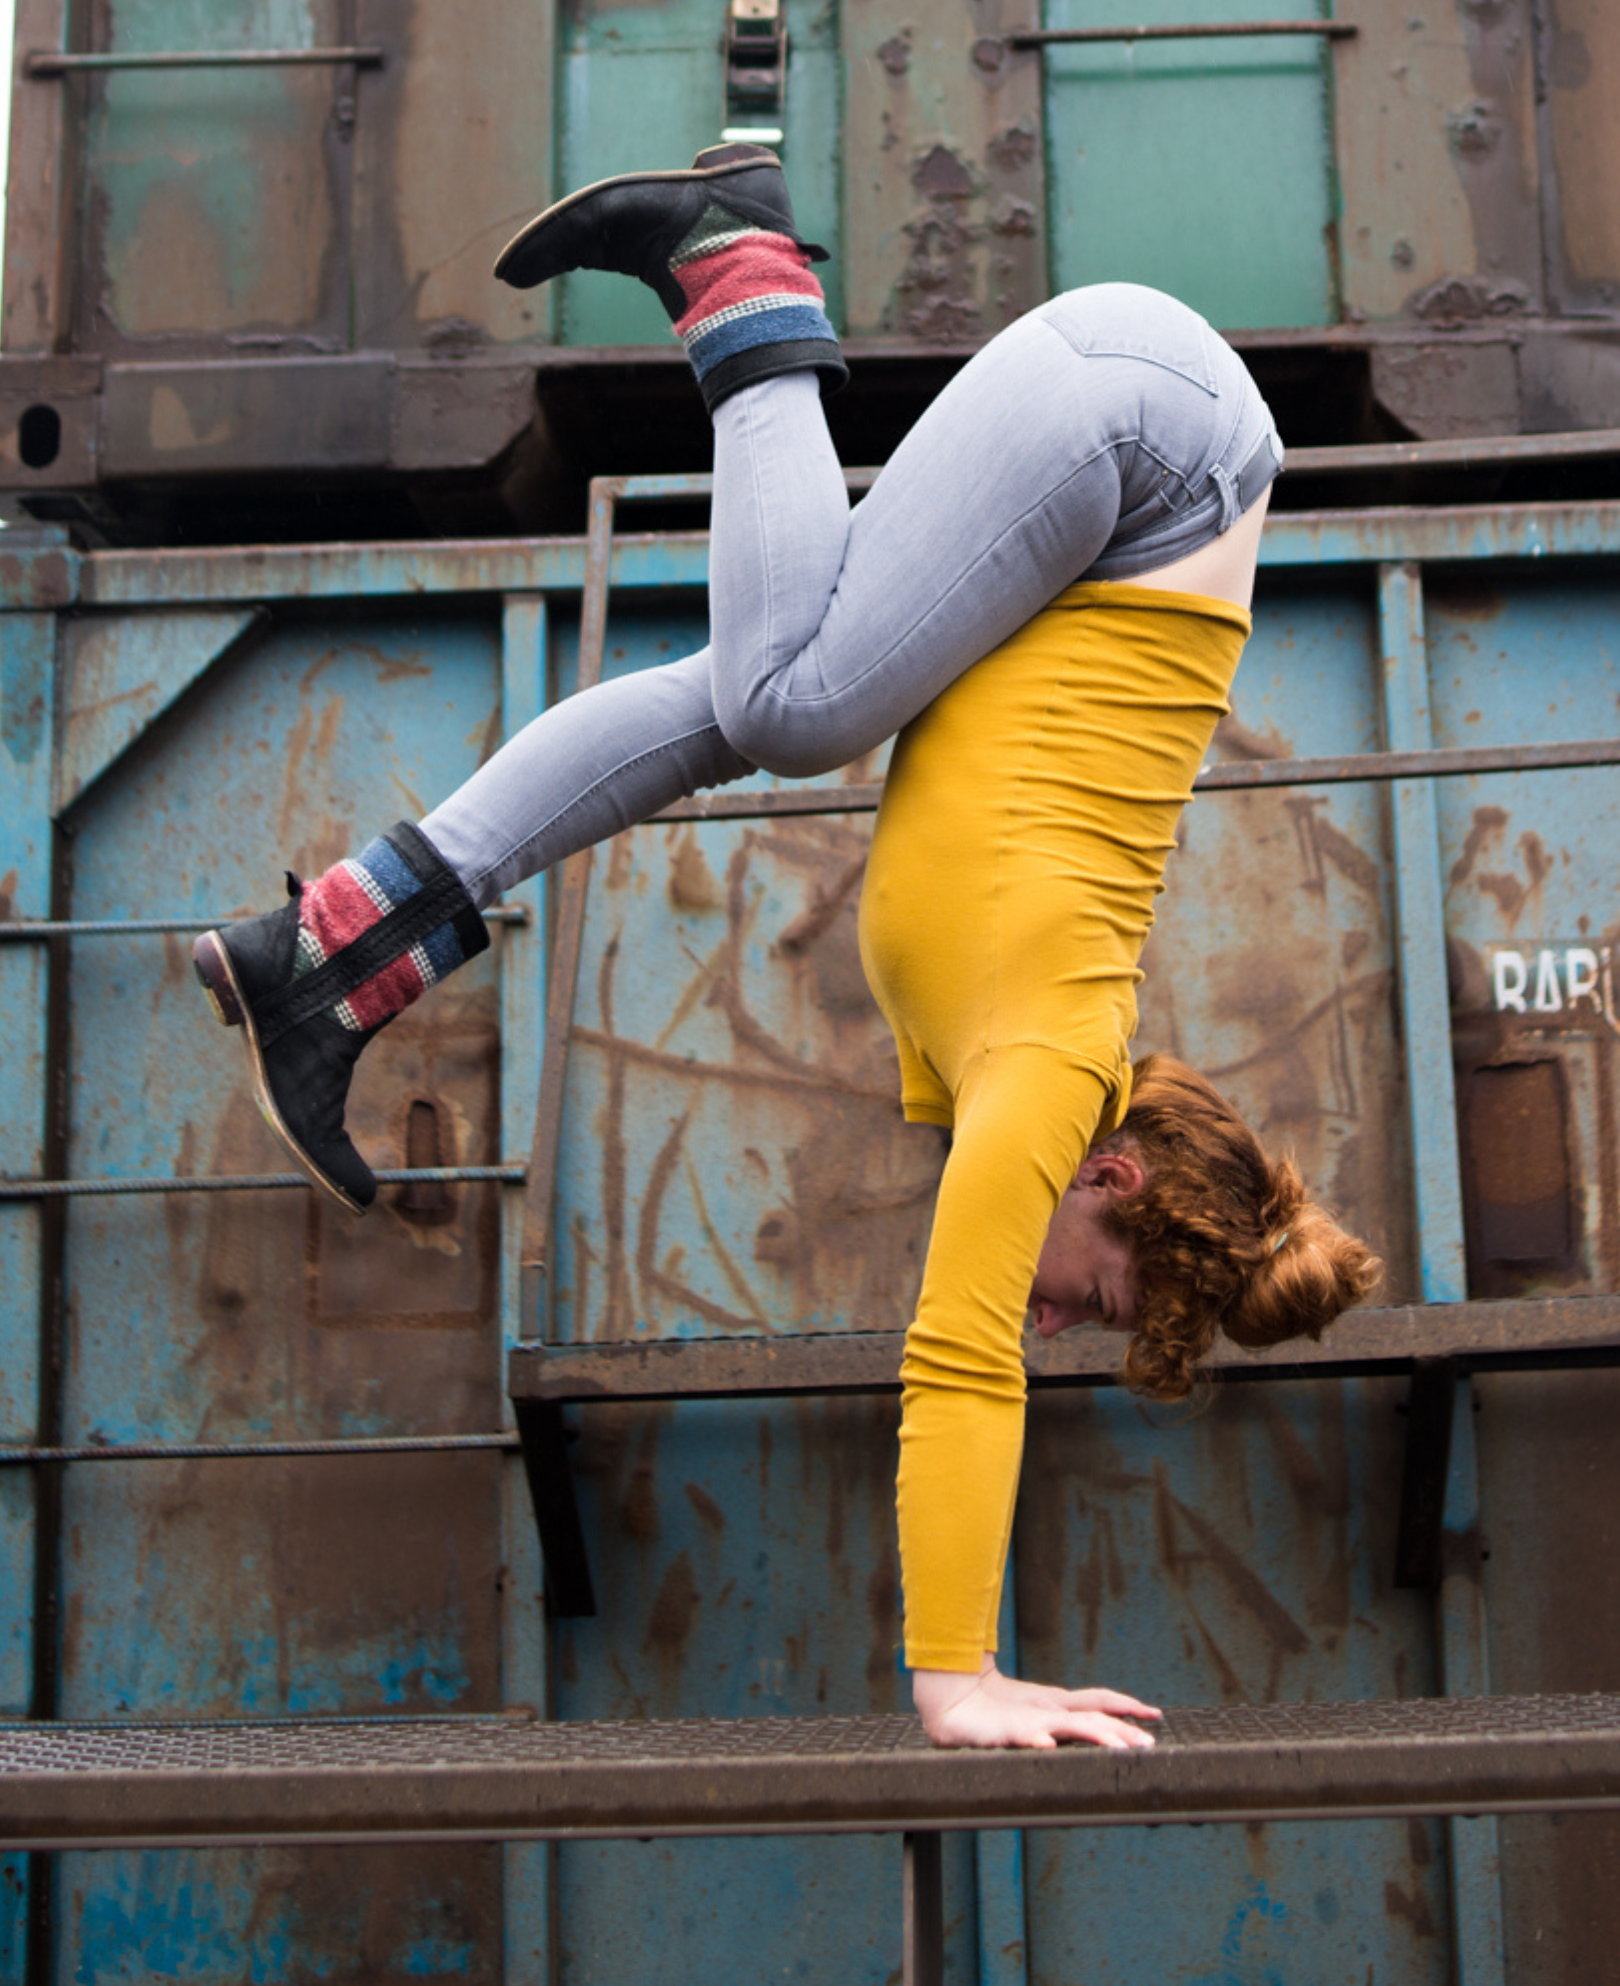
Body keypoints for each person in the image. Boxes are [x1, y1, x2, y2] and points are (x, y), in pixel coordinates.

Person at [193, 146, 1382, 1751]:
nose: (1054, 1324)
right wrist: (960, 1676)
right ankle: (738, 264)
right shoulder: (1046, 1064)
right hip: (1158, 436)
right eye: (1093, 1304)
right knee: (794, 705)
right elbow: (962, 1362)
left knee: (749, 697)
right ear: (1116, 1182)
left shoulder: (974, 1065)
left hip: (1132, 445)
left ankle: (336, 955)